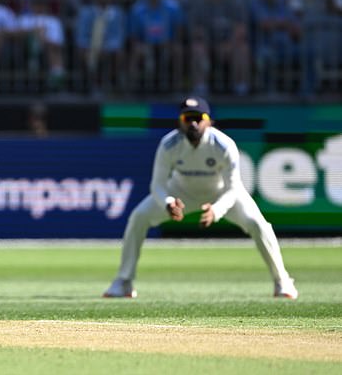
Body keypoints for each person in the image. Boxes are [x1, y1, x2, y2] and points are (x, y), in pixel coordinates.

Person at [103, 96, 299, 300]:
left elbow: (233, 188)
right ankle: (124, 281)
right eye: (188, 118)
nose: (194, 123)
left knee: (257, 224)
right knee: (139, 217)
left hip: (220, 193)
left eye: (199, 117)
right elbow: (158, 185)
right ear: (180, 121)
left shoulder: (224, 145)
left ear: (209, 121)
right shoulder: (169, 145)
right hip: (181, 193)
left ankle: (282, 281)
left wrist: (217, 210)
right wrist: (168, 202)